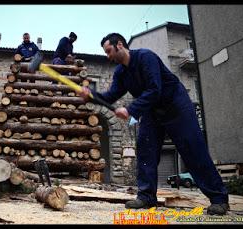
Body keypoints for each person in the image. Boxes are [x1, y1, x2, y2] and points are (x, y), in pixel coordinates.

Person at [77, 33, 229, 215]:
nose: (108, 56)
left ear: (119, 45)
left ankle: (219, 199)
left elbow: (154, 89)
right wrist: (91, 95)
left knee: (192, 149)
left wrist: (131, 109)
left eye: (109, 51)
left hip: (175, 104)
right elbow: (111, 95)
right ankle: (147, 197)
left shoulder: (145, 57)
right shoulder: (120, 73)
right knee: (145, 149)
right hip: (151, 110)